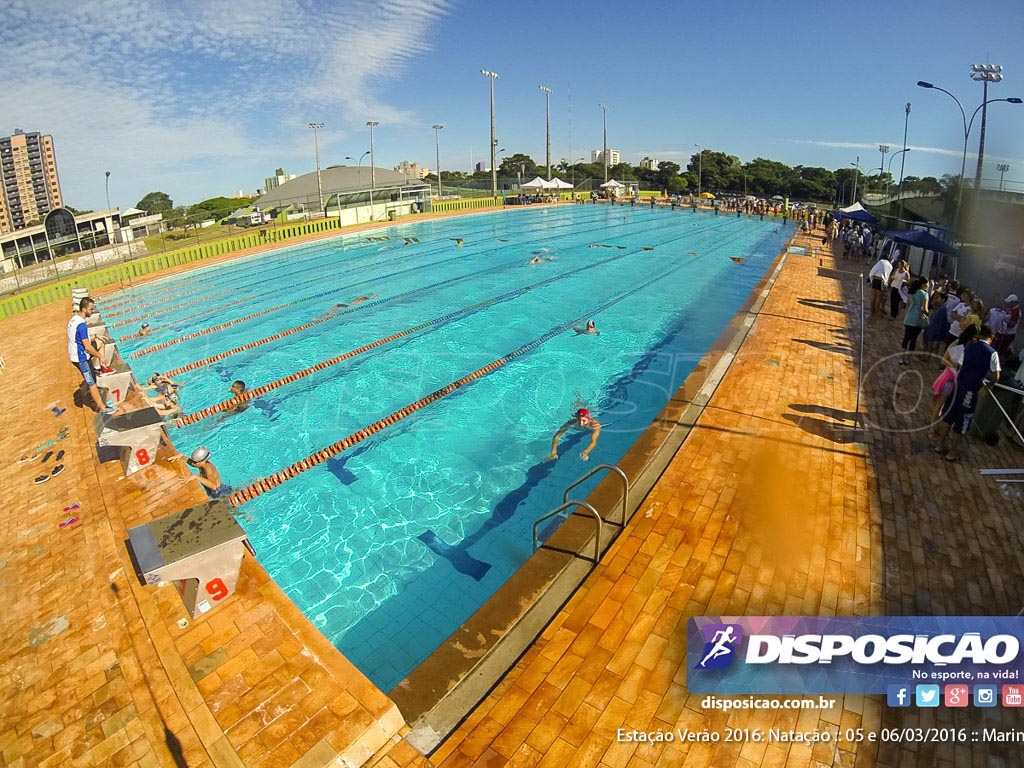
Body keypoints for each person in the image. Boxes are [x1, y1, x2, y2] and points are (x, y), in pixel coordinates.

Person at [931, 325, 1001, 461]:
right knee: (962, 422)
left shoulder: (968, 347)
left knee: (948, 416)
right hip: (971, 391)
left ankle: (940, 445)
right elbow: (996, 375)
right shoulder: (992, 353)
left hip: (957, 386)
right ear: (990, 338)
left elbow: (959, 364)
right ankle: (952, 453)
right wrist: (989, 383)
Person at [67, 297, 116, 414]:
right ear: (84, 309)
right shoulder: (81, 325)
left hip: (76, 353)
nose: (92, 311)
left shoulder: (74, 319)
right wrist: (100, 356)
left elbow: (78, 338)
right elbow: (87, 347)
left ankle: (103, 369)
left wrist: (95, 336)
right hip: (81, 358)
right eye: (91, 309)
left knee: (100, 343)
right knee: (92, 382)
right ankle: (103, 408)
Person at [930, 325, 977, 422]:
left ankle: (934, 423)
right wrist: (959, 366)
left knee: (941, 404)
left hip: (956, 378)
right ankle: (932, 427)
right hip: (950, 378)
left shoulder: (968, 346)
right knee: (940, 404)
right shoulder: (958, 344)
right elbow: (945, 361)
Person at [898, 277, 929, 364]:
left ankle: (901, 358)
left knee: (906, 338)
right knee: (913, 339)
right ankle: (908, 359)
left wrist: (906, 315)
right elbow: (925, 309)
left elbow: (907, 305)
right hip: (917, 319)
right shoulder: (924, 295)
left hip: (909, 317)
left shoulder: (912, 292)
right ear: (923, 284)